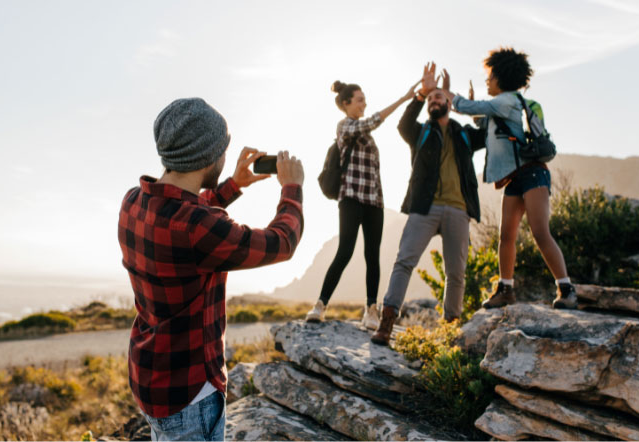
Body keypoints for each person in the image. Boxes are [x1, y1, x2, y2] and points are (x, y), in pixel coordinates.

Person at [118, 97, 304, 441]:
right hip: (191, 393)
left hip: (149, 377)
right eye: (223, 150)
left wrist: (233, 185)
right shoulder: (198, 226)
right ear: (207, 157)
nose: (224, 157)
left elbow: (185, 211)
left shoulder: (133, 202)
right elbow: (282, 243)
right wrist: (292, 188)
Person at [441, 47, 577, 309]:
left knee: (540, 232)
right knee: (506, 237)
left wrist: (450, 93)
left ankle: (566, 289)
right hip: (514, 177)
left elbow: (474, 107)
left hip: (533, 173)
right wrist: (470, 107)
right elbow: (485, 122)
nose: (486, 81)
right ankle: (505, 289)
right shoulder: (500, 106)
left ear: (501, 77)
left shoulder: (508, 100)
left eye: (489, 76)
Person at [371, 63, 486, 346]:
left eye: (440, 97)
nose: (435, 101)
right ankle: (387, 323)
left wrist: (467, 107)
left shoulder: (463, 134)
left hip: (459, 209)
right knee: (404, 262)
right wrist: (420, 95)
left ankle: (451, 330)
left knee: (456, 273)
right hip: (424, 207)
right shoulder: (420, 132)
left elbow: (488, 133)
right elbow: (402, 125)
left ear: (449, 102)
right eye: (431, 99)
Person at [306, 80, 419, 330]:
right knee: (344, 251)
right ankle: (320, 305)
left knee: (372, 255)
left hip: (374, 201)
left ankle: (371, 311)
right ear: (346, 104)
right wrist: (403, 98)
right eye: (359, 99)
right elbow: (374, 121)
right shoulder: (345, 126)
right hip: (351, 197)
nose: (364, 103)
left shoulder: (365, 135)